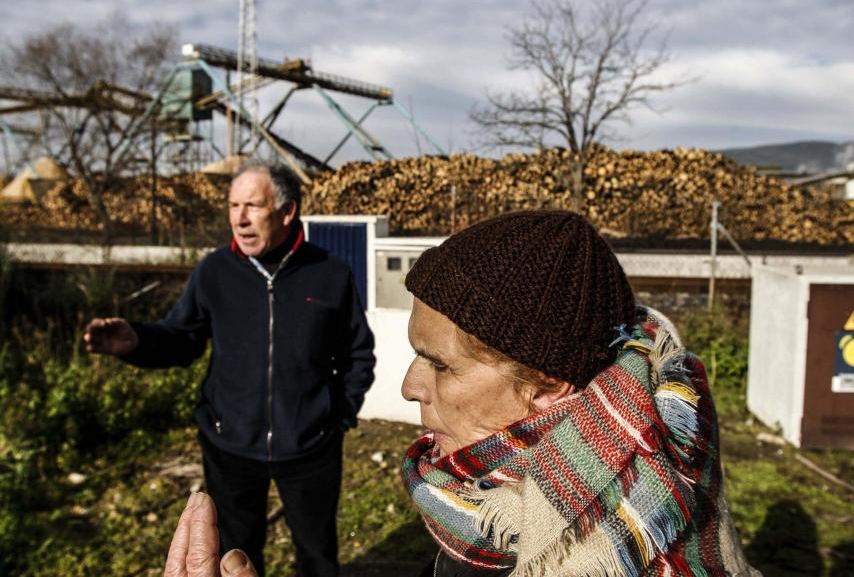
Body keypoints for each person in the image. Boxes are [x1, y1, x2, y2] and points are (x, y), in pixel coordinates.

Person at [164, 210, 757, 576]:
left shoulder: (602, 554)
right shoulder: (504, 503)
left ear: (546, 391)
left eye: (440, 365)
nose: (409, 385)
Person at [85, 161, 376, 577]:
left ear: (287, 211)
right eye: (233, 205)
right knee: (236, 556)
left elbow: (357, 352)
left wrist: (338, 414)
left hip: (311, 446)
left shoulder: (329, 273)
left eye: (253, 206)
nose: (239, 218)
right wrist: (139, 341)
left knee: (317, 556)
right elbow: (181, 338)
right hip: (230, 447)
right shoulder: (214, 271)